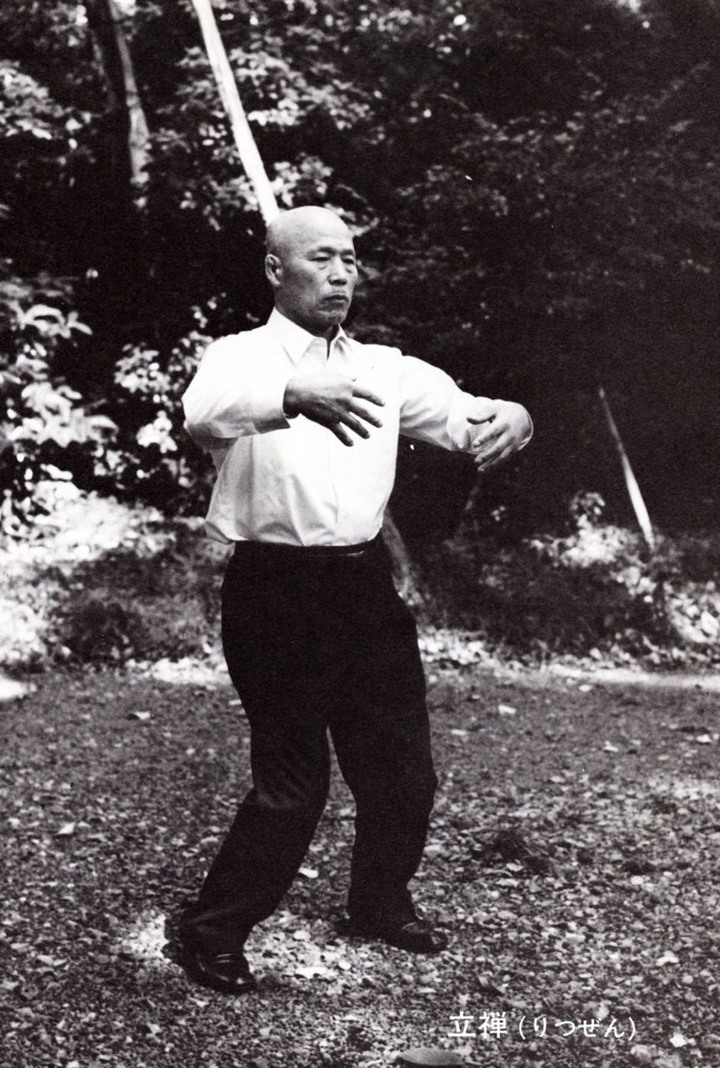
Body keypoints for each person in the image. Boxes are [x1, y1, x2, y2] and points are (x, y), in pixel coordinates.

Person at [179, 205, 532, 994]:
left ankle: (377, 902)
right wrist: (292, 392)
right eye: (321, 258)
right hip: (274, 588)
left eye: (349, 259)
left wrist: (517, 415)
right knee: (293, 785)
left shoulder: (385, 367)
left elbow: (470, 420)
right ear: (275, 270)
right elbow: (203, 413)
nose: (340, 274)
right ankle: (212, 931)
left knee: (404, 771)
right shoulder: (239, 356)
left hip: (363, 585)